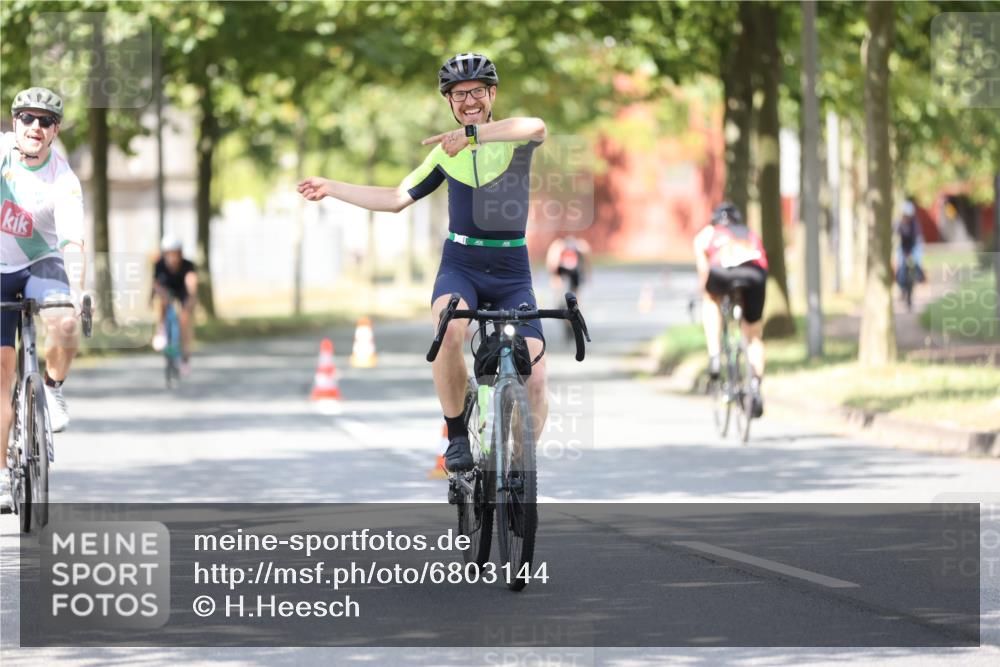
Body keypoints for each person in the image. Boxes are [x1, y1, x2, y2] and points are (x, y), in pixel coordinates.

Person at [298, 53, 548, 472]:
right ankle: (455, 433)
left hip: (511, 271)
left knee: (536, 379)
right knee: (450, 331)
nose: (467, 100)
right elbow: (395, 198)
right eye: (457, 95)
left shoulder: (510, 138)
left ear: (492, 94)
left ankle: (518, 475)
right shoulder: (443, 155)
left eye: (476, 92)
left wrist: (473, 135)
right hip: (461, 264)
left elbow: (537, 125)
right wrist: (331, 187)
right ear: (448, 102)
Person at [1, 87, 86, 510]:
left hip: (41, 264)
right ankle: (0, 474)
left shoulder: (63, 178)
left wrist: (80, 290)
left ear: (55, 131)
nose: (36, 127)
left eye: (46, 121)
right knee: (2, 373)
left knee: (66, 321)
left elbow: (72, 242)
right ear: (15, 122)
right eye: (28, 118)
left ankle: (51, 389)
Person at [693, 202, 768, 417]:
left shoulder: (709, 234)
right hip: (754, 274)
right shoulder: (749, 233)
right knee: (754, 336)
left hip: (722, 272)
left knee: (710, 300)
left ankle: (715, 353)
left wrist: (704, 289)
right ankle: (754, 387)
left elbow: (703, 271)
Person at [151, 234, 197, 376]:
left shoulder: (188, 265)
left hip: (183, 291)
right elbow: (156, 284)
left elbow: (191, 283)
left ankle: (185, 358)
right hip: (167, 290)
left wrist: (191, 298)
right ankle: (161, 330)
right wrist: (153, 296)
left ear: (180, 253)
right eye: (169, 254)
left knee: (184, 319)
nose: (172, 258)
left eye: (175, 254)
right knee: (163, 301)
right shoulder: (159, 265)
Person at [895, 200, 926, 291]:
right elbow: (895, 231)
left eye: (907, 215)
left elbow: (919, 238)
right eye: (904, 215)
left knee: (917, 260)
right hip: (904, 247)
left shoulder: (915, 225)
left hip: (914, 247)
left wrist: (916, 248)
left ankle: (920, 278)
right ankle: (900, 285)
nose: (906, 217)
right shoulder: (899, 224)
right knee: (900, 263)